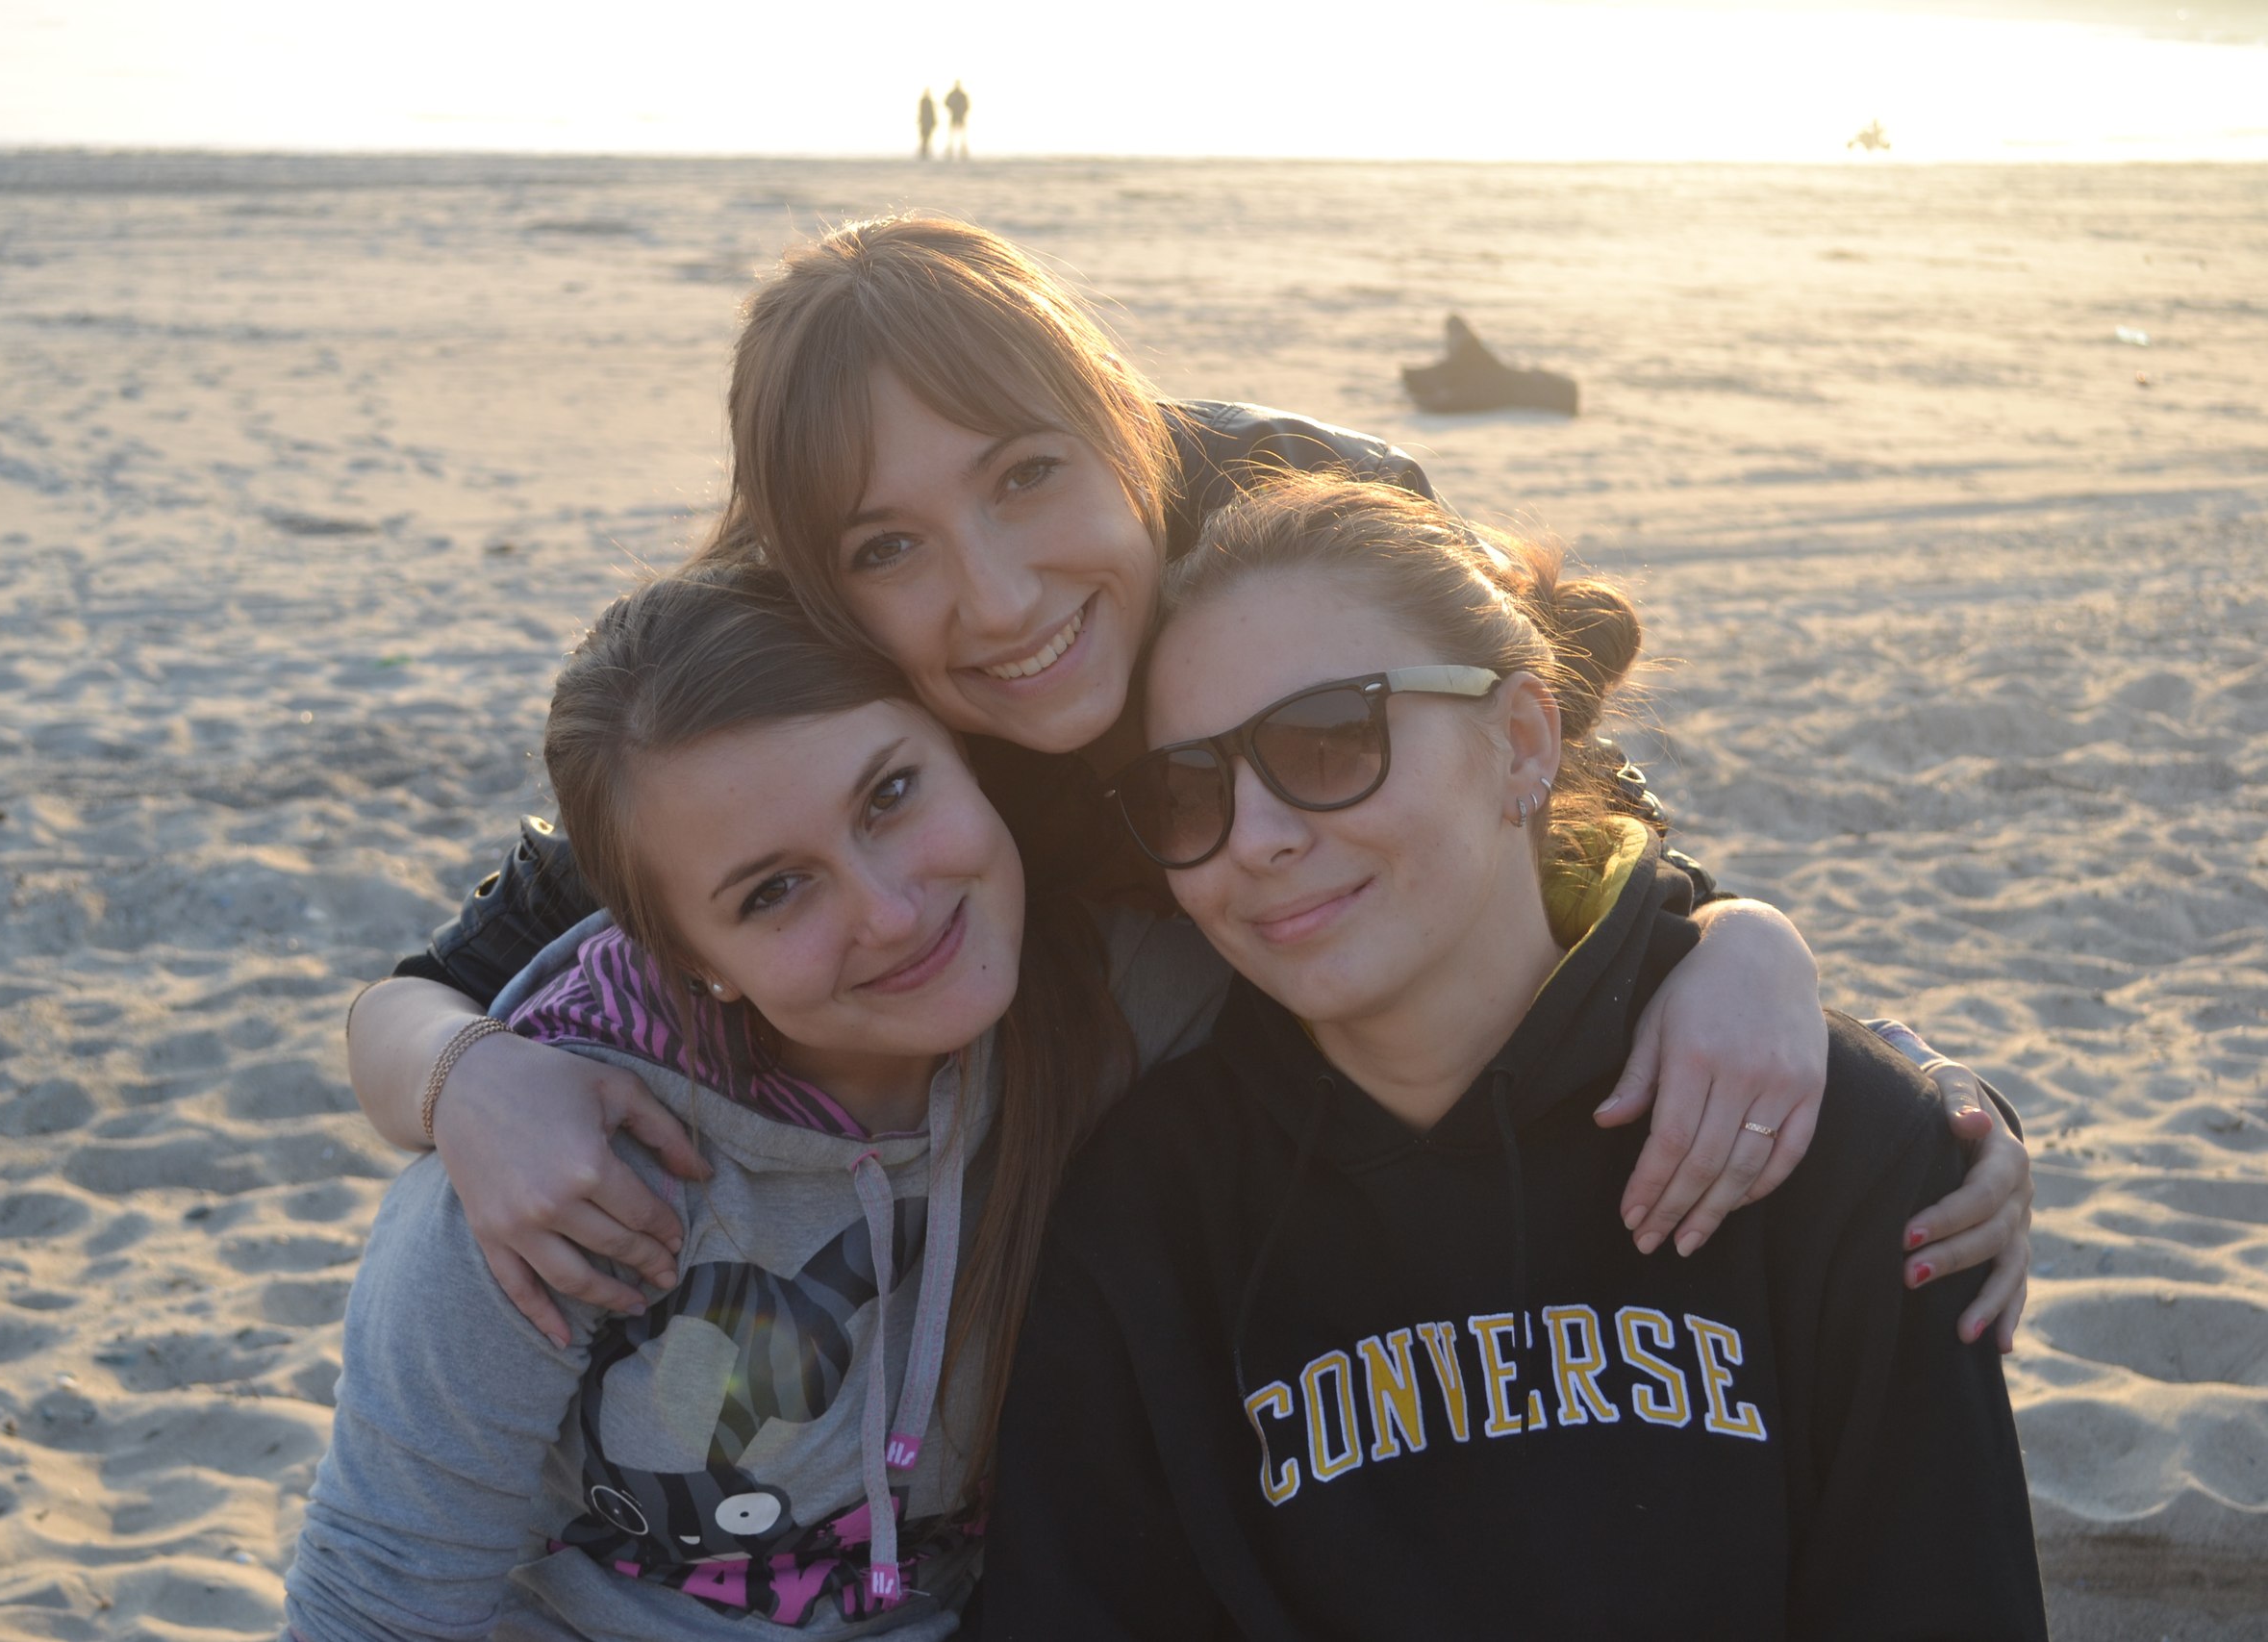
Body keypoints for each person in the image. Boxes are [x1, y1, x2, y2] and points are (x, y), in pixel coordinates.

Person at [343, 214, 2031, 1365]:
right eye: (888, 546)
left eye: (1027, 473)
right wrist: (473, 1081)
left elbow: (1542, 792)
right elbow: (437, 982)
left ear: (1120, 422)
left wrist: (1748, 945)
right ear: (818, 582)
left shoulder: (1301, 516)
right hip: (1127, 1212)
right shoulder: (809, 666)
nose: (998, 595)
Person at [980, 474, 2048, 1639]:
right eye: (1187, 794)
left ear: (1522, 741)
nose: (1257, 840)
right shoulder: (1142, 1221)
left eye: (1327, 741)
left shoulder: (1832, 1148)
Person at [290, 563, 1227, 1639]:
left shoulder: (1120, 1001)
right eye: (773, 891)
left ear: (965, 753)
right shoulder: (559, 1172)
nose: (889, 913)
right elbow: (378, 1599)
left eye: (890, 794)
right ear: (691, 958)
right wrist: (450, 1064)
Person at [944, 81, 970, 159]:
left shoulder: (961, 95)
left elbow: (967, 105)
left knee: (961, 136)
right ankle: (951, 151)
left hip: (959, 116)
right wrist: (952, 109)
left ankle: (962, 151)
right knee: (952, 135)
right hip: (955, 116)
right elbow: (946, 103)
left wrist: (962, 110)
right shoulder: (956, 95)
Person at [918, 88, 937, 160]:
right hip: (925, 123)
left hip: (927, 123)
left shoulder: (927, 102)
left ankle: (925, 152)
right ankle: (924, 152)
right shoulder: (925, 102)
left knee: (926, 138)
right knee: (924, 138)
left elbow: (932, 113)